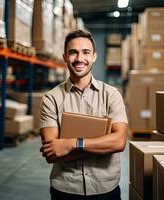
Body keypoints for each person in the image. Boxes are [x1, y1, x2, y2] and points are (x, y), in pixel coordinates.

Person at [39, 29, 128, 200]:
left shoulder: (111, 95)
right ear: (65, 56)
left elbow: (119, 142)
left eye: (85, 52)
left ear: (94, 56)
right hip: (66, 189)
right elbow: (52, 153)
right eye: (73, 52)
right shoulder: (51, 98)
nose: (79, 59)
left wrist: (72, 143)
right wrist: (102, 146)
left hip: (105, 188)